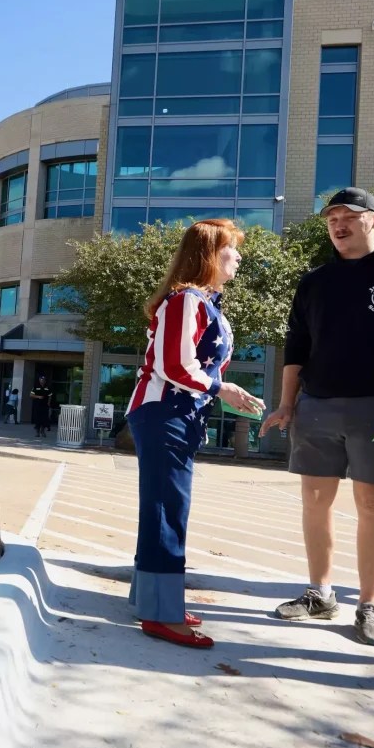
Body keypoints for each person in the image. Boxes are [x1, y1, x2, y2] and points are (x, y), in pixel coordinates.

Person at [259, 187, 374, 646]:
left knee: (373, 506)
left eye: (349, 216)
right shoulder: (315, 281)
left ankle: (370, 605)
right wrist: (286, 403)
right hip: (316, 406)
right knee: (314, 502)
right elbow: (297, 347)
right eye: (331, 218)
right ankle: (320, 594)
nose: (338, 225)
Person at [126, 219, 265, 649]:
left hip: (174, 413)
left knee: (164, 508)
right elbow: (174, 366)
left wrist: (219, 391)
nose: (238, 257)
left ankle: (155, 601)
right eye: (231, 249)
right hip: (165, 412)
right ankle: (160, 615)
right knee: (168, 510)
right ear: (210, 255)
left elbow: (183, 368)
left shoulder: (201, 302)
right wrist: (223, 388)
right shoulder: (187, 300)